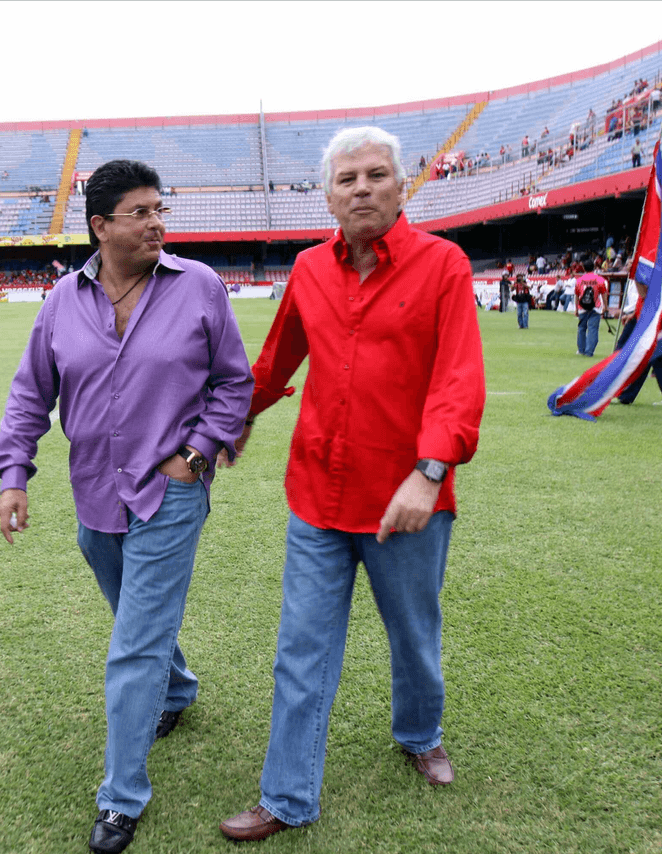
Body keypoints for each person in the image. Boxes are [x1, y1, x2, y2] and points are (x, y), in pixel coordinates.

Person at [216, 126, 485, 842]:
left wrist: (430, 474)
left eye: (376, 175)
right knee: (300, 649)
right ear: (329, 196)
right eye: (347, 179)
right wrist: (230, 422)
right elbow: (275, 362)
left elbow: (458, 380)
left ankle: (420, 732)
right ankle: (287, 796)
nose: (362, 188)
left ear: (402, 185)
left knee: (413, 637)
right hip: (318, 498)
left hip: (407, 503)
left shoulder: (444, 265)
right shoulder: (308, 269)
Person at [0, 159, 253, 854]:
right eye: (140, 212)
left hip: (170, 492)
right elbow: (29, 395)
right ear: (101, 225)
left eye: (159, 208)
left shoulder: (197, 286)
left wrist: (194, 458)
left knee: (132, 642)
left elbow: (235, 384)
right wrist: (13, 474)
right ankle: (180, 688)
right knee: (137, 617)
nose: (157, 222)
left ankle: (121, 797)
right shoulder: (60, 302)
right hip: (94, 492)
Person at [614, 278, 662, 407]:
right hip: (643, 315)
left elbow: (645, 293)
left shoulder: (646, 271)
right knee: (653, 355)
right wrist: (634, 314)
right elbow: (643, 298)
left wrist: (636, 273)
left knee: (649, 354)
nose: (628, 264)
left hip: (651, 318)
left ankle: (626, 394)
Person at [575, 259, 608, 356]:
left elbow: (577, 295)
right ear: (594, 267)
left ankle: (581, 350)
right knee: (593, 329)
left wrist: (576, 309)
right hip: (595, 307)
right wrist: (605, 306)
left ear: (584, 268)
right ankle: (589, 351)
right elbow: (603, 294)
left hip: (582, 307)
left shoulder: (579, 280)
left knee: (581, 328)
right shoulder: (599, 279)